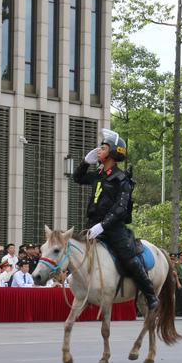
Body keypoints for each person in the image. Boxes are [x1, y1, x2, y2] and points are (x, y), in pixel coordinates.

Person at [74, 128, 160, 311]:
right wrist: (85, 162)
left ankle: (150, 294)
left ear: (112, 152)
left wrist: (103, 225)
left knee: (129, 258)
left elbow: (120, 208)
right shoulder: (98, 175)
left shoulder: (122, 179)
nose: (99, 150)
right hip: (92, 225)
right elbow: (77, 178)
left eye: (103, 148)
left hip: (114, 228)